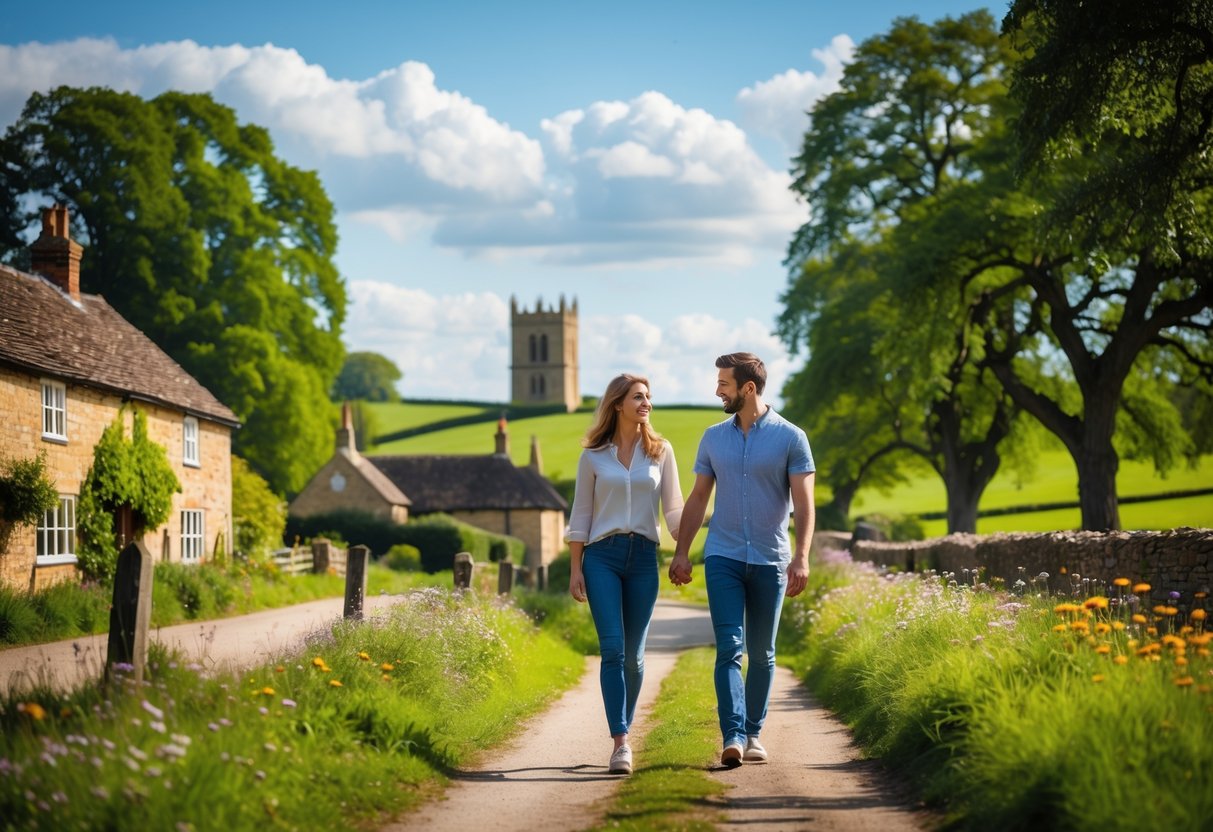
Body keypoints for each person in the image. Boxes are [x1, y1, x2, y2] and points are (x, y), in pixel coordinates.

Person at [668, 352, 815, 768]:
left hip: (771, 559)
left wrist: (801, 557)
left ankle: (753, 733)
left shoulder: (791, 438)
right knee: (729, 648)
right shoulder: (713, 437)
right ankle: (732, 735)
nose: (717, 390)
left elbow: (804, 506)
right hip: (723, 556)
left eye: (724, 384)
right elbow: (698, 498)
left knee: (763, 652)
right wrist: (682, 552)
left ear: (748, 388)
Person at [566, 373, 684, 776]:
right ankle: (620, 743)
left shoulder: (661, 452)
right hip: (602, 557)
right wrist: (575, 569)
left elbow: (673, 510)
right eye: (638, 396)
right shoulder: (593, 456)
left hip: (643, 559)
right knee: (613, 650)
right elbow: (580, 515)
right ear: (618, 403)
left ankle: (624, 729)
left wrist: (686, 545)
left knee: (634, 658)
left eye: (649, 396)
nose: (646, 402)